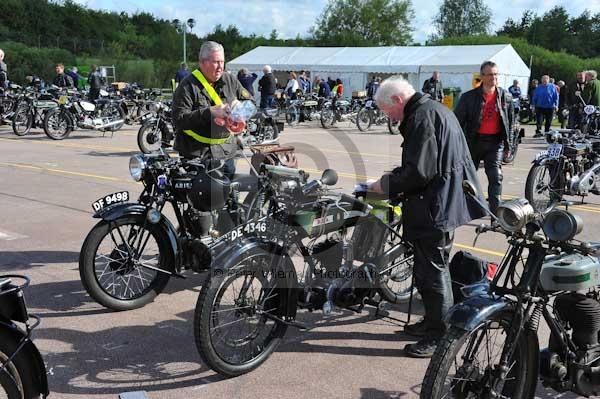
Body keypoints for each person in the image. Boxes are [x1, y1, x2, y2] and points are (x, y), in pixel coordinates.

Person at [367, 76, 485, 358]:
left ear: (397, 100)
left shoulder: (421, 117)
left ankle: (439, 337)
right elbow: (426, 162)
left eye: (388, 111)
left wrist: (384, 185)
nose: (390, 118)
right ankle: (433, 323)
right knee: (429, 268)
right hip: (441, 201)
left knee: (433, 272)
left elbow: (419, 172)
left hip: (435, 206)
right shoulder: (432, 109)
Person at [172, 41, 253, 179]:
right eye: (216, 62)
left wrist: (240, 107)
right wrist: (209, 112)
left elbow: (251, 103)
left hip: (226, 153)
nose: (220, 67)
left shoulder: (230, 80)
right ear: (202, 62)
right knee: (201, 199)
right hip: (197, 155)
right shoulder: (187, 86)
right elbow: (179, 121)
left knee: (228, 196)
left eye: (222, 62)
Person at [454, 61, 514, 216]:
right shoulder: (468, 97)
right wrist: (456, 145)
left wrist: (510, 146)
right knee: (465, 179)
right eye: (490, 74)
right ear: (482, 76)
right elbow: (456, 123)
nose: (493, 77)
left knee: (496, 177)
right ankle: (461, 210)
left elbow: (510, 123)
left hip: (495, 143)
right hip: (473, 142)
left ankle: (496, 216)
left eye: (495, 74)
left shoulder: (505, 97)